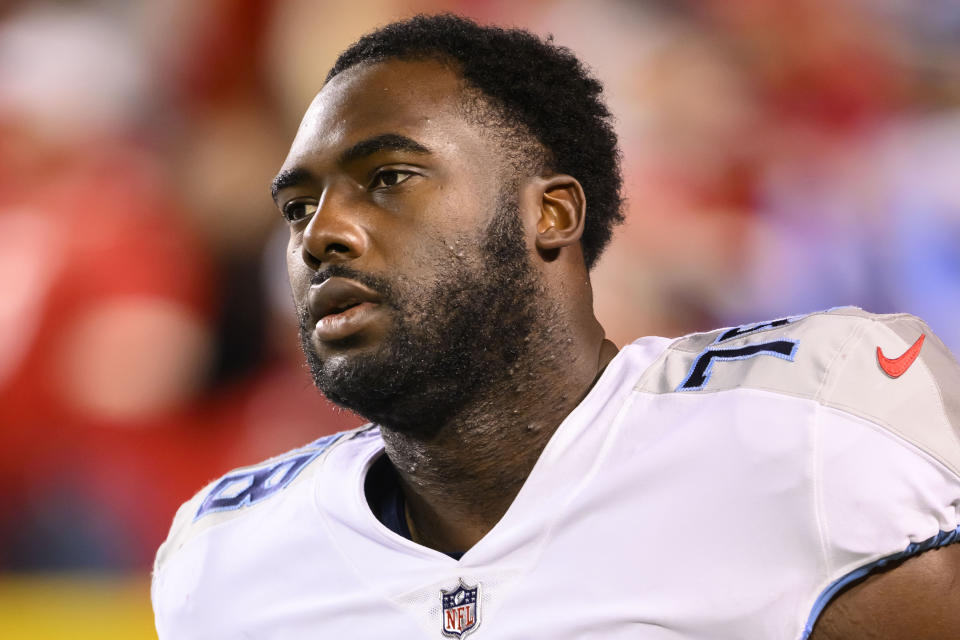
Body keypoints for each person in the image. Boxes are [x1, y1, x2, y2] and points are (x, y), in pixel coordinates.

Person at [151, 14, 960, 640]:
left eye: (389, 177)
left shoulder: (815, 429)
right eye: (297, 207)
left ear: (551, 212)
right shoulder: (225, 558)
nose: (320, 234)